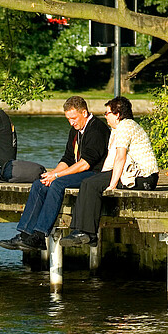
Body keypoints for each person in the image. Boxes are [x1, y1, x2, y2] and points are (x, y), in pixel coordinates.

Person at [0, 96, 110, 252]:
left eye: (74, 118)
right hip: (80, 171)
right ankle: (25, 234)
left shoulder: (97, 129)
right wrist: (52, 173)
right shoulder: (76, 130)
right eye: (68, 119)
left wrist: (57, 177)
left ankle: (40, 235)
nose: (71, 122)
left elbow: (86, 163)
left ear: (84, 112)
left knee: (57, 184)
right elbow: (68, 158)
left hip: (94, 174)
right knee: (40, 184)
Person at [60, 96, 160, 248]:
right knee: (89, 182)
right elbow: (111, 160)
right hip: (130, 173)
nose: (105, 116)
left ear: (117, 114)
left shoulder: (127, 126)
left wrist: (112, 184)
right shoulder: (117, 130)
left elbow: (120, 158)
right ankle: (80, 231)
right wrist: (102, 176)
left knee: (91, 184)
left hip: (144, 178)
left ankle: (88, 233)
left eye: (107, 113)